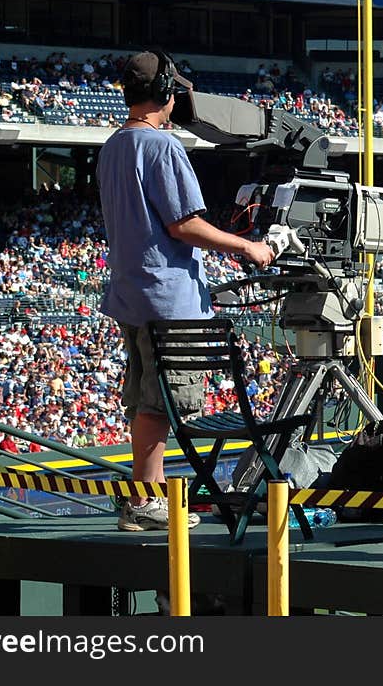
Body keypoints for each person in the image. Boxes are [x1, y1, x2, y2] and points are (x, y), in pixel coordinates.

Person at [97, 50, 274, 532]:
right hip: (168, 297)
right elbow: (184, 225)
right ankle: (149, 500)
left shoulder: (114, 145)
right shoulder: (162, 147)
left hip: (131, 295)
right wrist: (247, 246)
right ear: (166, 94)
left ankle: (140, 497)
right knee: (163, 404)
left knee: (143, 401)